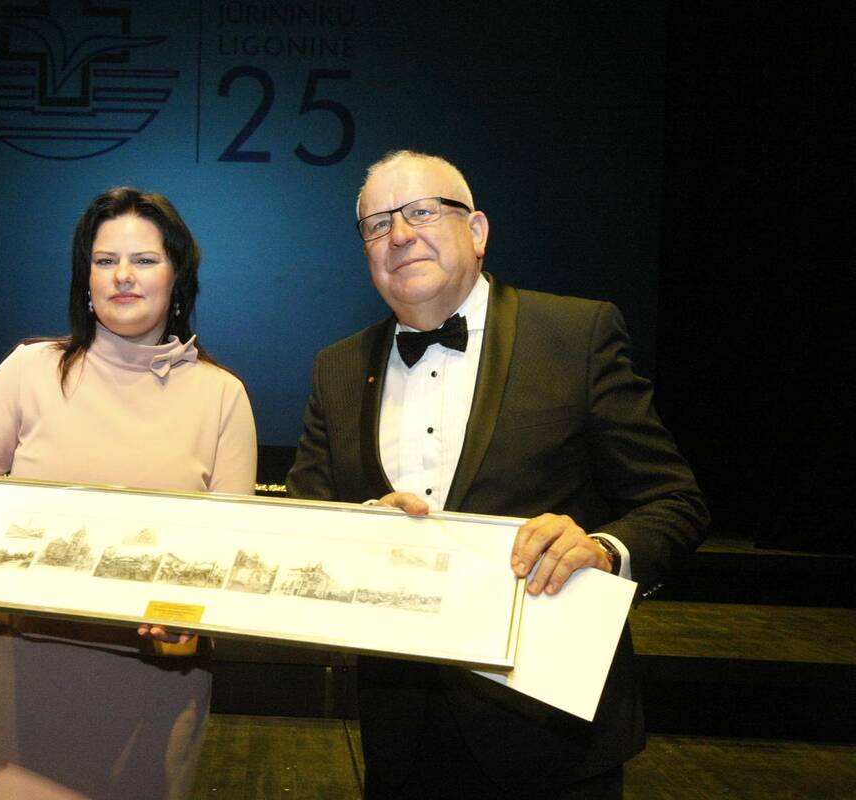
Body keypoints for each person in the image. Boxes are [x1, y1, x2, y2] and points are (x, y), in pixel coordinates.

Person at [285, 150, 709, 799]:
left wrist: (602, 550)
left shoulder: (575, 335)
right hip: (402, 735)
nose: (400, 235)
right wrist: (361, 535)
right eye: (378, 224)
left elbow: (674, 501)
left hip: (554, 737)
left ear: (477, 230)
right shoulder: (337, 368)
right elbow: (302, 528)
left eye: (422, 211)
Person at [0, 187, 258, 800]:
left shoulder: (222, 395)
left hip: (160, 678)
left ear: (178, 277)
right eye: (104, 260)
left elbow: (231, 559)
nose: (123, 275)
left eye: (145, 260)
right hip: (25, 668)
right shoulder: (30, 371)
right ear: (85, 279)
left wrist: (192, 624)